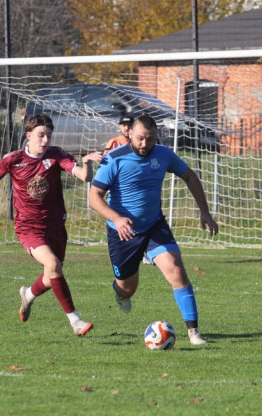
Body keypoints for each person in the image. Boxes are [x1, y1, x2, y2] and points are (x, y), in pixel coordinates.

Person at [88, 113, 218, 345]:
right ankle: (120, 292)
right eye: (140, 138)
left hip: (154, 225)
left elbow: (189, 175)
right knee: (128, 289)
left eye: (150, 139)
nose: (144, 144)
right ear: (129, 134)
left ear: (156, 136)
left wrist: (204, 211)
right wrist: (117, 219)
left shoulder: (164, 154)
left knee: (177, 271)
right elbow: (95, 197)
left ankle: (194, 333)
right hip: (123, 232)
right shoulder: (114, 159)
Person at [0, 114, 103, 336]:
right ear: (28, 136)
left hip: (55, 227)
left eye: (49, 136)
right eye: (41, 135)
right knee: (53, 265)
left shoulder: (55, 155)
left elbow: (84, 177)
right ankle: (75, 321)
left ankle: (28, 295)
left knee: (52, 273)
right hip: (28, 228)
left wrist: (87, 163)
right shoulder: (13, 159)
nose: (45, 141)